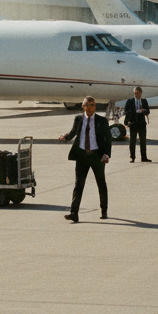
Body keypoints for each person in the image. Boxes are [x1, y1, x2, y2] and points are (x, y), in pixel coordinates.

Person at [58, 95, 111, 223]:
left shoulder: (102, 121)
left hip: (97, 156)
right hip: (81, 156)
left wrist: (107, 154)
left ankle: (104, 210)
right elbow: (73, 132)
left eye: (92, 105)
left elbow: (108, 139)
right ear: (83, 106)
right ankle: (74, 213)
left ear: (95, 107)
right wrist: (66, 136)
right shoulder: (78, 119)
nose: (89, 108)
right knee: (78, 185)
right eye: (87, 105)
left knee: (101, 183)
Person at [123, 87, 151, 163]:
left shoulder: (144, 101)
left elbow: (148, 111)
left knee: (143, 141)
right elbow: (126, 110)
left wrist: (144, 110)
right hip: (133, 124)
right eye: (135, 93)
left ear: (141, 93)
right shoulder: (130, 101)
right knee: (132, 141)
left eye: (138, 93)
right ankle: (132, 157)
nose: (136, 95)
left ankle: (144, 157)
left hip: (141, 124)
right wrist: (128, 120)